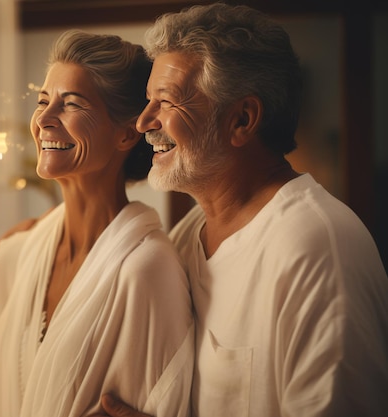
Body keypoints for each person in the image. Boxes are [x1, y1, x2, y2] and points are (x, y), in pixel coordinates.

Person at [94, 3, 388, 417]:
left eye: (166, 101)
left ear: (242, 120)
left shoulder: (320, 247)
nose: (144, 122)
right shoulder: (184, 238)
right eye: (148, 101)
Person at [0, 29, 194, 417]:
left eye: (71, 104)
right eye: (43, 101)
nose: (43, 118)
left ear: (127, 132)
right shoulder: (16, 256)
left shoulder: (147, 271)